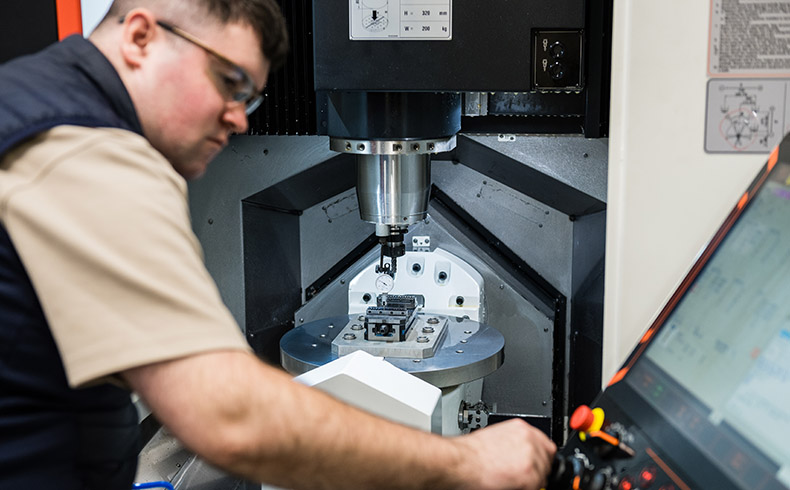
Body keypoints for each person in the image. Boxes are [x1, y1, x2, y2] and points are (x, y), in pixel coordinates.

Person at [0, 1, 557, 489]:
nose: (240, 119)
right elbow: (228, 415)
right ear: (141, 36)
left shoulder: (31, 102)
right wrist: (462, 463)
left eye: (252, 97)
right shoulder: (87, 153)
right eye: (228, 82)